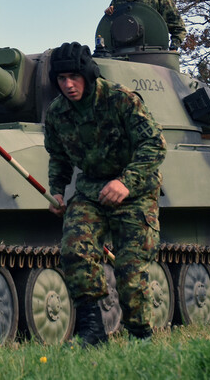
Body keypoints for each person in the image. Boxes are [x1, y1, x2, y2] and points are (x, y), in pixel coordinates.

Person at [43, 42, 165, 345]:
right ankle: (93, 333)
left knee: (130, 270)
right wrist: (57, 192)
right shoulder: (57, 113)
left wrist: (126, 182)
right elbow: (58, 157)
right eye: (61, 79)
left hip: (135, 192)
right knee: (75, 251)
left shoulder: (120, 100)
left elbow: (154, 144)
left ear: (87, 73)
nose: (68, 85)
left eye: (73, 76)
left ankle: (141, 337)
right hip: (92, 191)